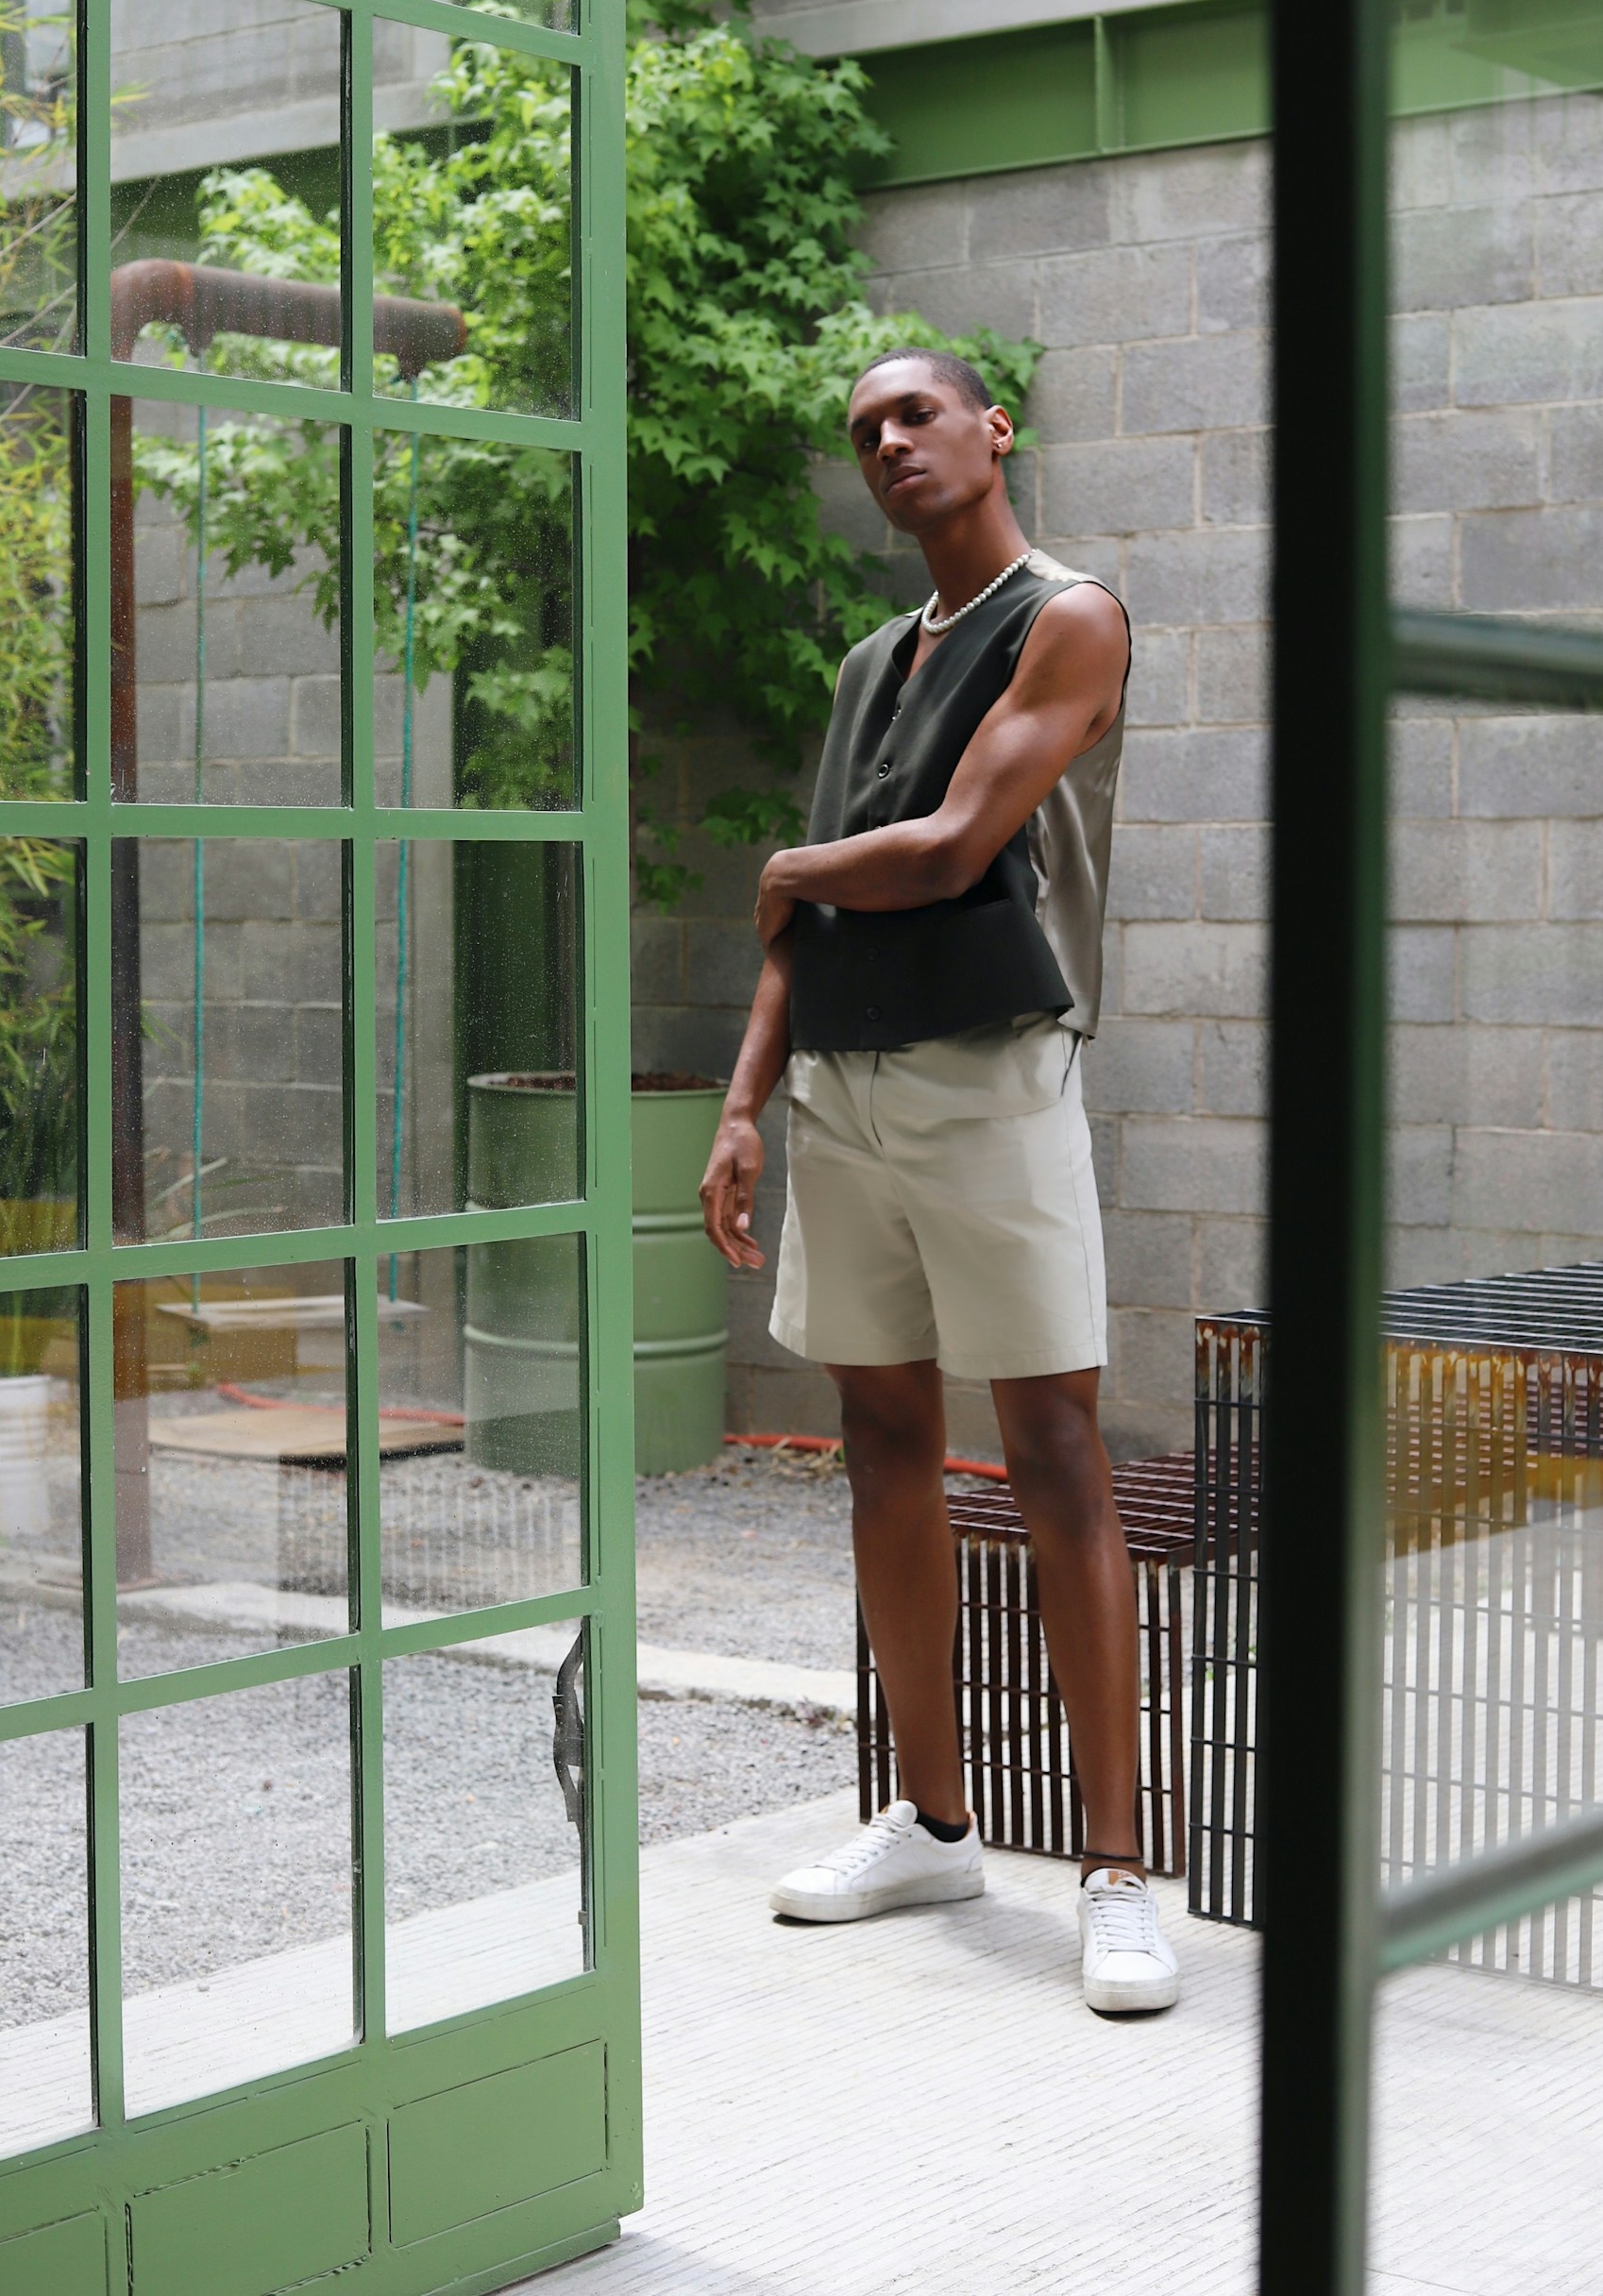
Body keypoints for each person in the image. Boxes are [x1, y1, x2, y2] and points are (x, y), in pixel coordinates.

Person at [700, 346, 1179, 2017]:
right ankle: (933, 1819)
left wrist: (788, 862)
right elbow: (808, 920)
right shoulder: (865, 665)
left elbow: (956, 846)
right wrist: (745, 1102)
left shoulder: (1072, 617)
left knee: (1054, 1447)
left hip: (991, 1075)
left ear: (993, 429)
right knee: (885, 1441)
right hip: (840, 1087)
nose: (890, 441)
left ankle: (1116, 1871)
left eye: (916, 413)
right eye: (864, 431)